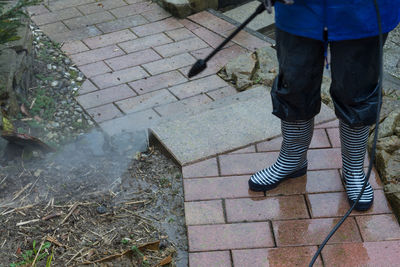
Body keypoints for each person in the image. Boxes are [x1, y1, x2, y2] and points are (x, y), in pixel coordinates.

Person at [248, 0, 400, 211]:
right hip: (298, 8)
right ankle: (293, 159)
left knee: (358, 89)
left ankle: (353, 169)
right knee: (294, 81)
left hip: (363, 9)